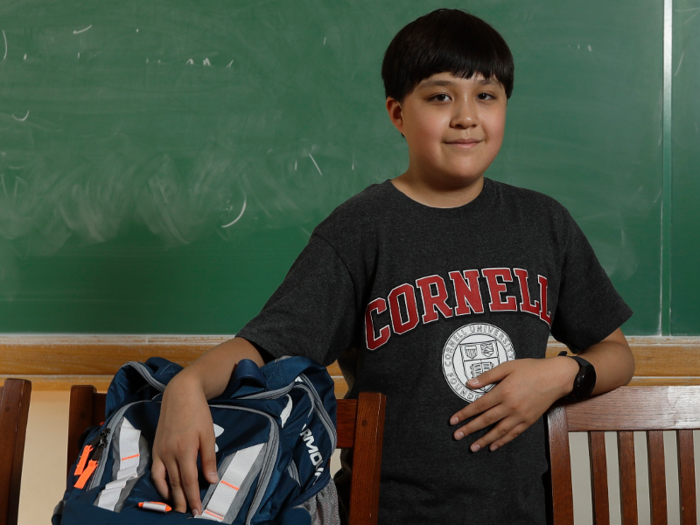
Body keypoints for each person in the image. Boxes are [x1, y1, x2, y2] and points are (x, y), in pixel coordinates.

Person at [152, 9, 635, 524]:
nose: (467, 116)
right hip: (384, 511)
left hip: (520, 513)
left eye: (486, 96)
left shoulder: (543, 223)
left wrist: (562, 374)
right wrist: (185, 387)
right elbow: (262, 347)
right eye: (440, 96)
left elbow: (615, 354)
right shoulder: (362, 227)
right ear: (398, 114)